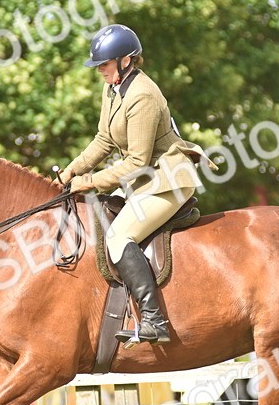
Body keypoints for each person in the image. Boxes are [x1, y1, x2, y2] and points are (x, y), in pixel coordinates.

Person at [62, 23, 212, 344]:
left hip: (167, 180)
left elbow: (136, 162)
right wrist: (70, 172)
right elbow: (104, 139)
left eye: (104, 63)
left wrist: (90, 182)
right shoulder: (114, 88)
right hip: (145, 179)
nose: (100, 70)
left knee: (118, 236)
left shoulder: (142, 95)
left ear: (126, 60)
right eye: (98, 65)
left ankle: (154, 320)